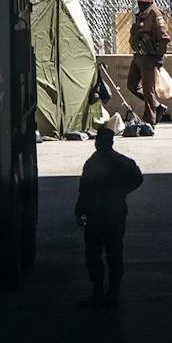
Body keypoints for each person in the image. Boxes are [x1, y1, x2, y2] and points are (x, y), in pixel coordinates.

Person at [73, 127, 144, 307]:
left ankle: (99, 292)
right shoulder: (121, 162)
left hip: (97, 214)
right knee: (114, 254)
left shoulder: (93, 163)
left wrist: (80, 211)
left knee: (95, 255)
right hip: (115, 212)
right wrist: (122, 192)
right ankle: (112, 293)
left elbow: (84, 190)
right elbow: (137, 177)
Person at [126, 0, 169, 133]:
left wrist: (158, 57)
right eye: (139, 0)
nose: (140, 3)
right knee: (131, 84)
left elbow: (164, 38)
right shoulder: (143, 14)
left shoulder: (155, 14)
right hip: (139, 56)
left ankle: (149, 120)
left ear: (149, 0)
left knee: (148, 89)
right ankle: (156, 106)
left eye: (142, 0)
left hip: (149, 58)